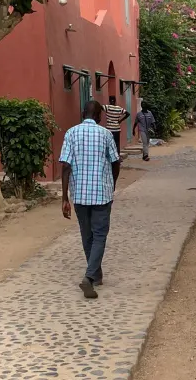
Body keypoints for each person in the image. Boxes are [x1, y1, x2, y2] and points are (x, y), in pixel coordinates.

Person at [60, 100, 121, 299]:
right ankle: (89, 277)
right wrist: (112, 184)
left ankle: (96, 274)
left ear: (83, 113)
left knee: (87, 235)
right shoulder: (106, 134)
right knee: (100, 235)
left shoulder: (71, 133)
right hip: (102, 194)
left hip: (79, 195)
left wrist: (64, 198)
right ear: (99, 116)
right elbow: (115, 162)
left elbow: (65, 166)